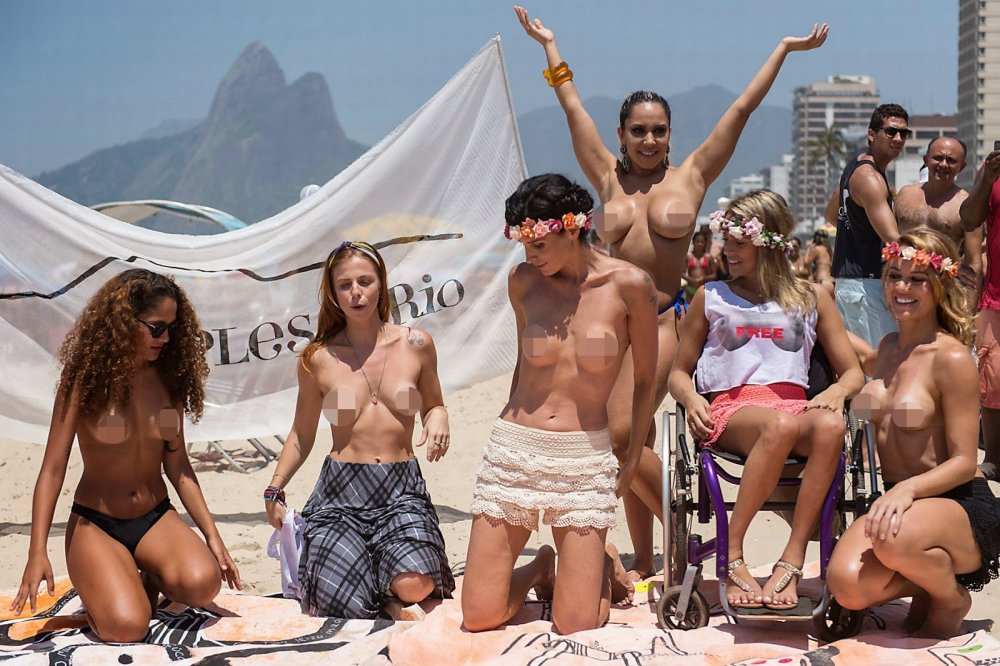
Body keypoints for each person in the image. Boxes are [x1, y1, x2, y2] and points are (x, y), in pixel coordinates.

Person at [515, 4, 828, 581]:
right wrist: (549, 47)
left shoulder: (692, 177)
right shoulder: (605, 176)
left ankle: (681, 537)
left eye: (659, 130)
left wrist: (783, 51)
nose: (650, 139)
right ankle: (643, 552)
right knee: (608, 439)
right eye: (639, 130)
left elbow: (741, 109)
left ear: (669, 134)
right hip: (598, 321)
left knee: (621, 434)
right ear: (622, 134)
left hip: (659, 321)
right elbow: (571, 104)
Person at [461, 174, 658, 634]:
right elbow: (523, 368)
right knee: (478, 616)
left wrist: (628, 460)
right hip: (515, 449)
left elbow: (647, 378)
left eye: (540, 244)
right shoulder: (522, 281)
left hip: (584, 455)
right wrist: (502, 442)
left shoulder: (630, 285)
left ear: (573, 229)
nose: (530, 256)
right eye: (523, 244)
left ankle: (601, 566)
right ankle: (539, 568)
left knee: (575, 623)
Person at [10, 269, 241, 643]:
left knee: (203, 585)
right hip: (97, 525)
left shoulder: (169, 381)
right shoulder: (84, 380)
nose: (165, 338)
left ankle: (144, 573)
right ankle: (112, 581)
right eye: (155, 327)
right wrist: (37, 551)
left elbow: (178, 466)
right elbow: (53, 469)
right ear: (122, 322)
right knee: (126, 628)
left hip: (155, 516)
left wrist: (213, 536)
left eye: (171, 328)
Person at [668, 189, 863, 610]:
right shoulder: (712, 296)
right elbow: (678, 372)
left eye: (739, 242)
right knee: (782, 424)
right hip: (732, 409)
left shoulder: (812, 297)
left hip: (794, 407)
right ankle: (732, 554)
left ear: (767, 243)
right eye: (727, 241)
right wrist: (689, 397)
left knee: (830, 424)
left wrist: (836, 390)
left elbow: (853, 372)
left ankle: (791, 559)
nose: (728, 250)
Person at [264, 241, 454, 619]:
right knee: (339, 601)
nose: (356, 293)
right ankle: (380, 595)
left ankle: (387, 593)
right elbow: (302, 434)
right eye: (345, 285)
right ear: (333, 294)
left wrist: (439, 417)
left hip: (402, 489)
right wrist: (275, 485)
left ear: (381, 284)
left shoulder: (416, 344)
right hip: (340, 492)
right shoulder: (317, 358)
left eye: (365, 281)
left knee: (415, 584)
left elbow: (434, 402)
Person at [828, 229, 1000, 639]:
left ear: (939, 285)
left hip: (954, 503)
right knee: (847, 585)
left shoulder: (952, 357)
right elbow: (840, 341)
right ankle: (925, 580)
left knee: (893, 539)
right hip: (897, 504)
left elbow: (964, 462)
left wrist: (906, 492)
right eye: (893, 276)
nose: (902, 288)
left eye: (917, 279)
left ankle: (951, 598)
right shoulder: (887, 347)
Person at [827, 103, 909, 349]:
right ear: (871, 134)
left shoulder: (856, 167)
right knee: (878, 367)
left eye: (904, 133)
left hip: (853, 284)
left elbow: (832, 215)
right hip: (866, 286)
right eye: (890, 131)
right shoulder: (870, 178)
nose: (898, 138)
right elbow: (894, 239)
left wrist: (859, 231)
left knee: (867, 368)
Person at [895, 137, 981, 295]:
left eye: (951, 160)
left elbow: (974, 263)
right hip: (901, 286)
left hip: (944, 290)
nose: (943, 164)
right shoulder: (905, 195)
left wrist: (967, 312)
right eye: (938, 158)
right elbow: (889, 242)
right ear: (926, 160)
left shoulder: (967, 206)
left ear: (962, 167)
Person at [960, 148, 1000, 481]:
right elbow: (969, 219)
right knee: (992, 377)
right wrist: (987, 178)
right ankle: (995, 457)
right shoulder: (992, 168)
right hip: (996, 296)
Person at [684, 231, 719, 301]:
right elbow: (681, 273)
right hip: (690, 288)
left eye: (702, 242)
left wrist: (703, 278)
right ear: (693, 242)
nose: (700, 244)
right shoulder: (688, 256)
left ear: (705, 243)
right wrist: (690, 279)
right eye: (697, 241)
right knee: (689, 310)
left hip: (704, 289)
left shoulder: (708, 257)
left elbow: (715, 275)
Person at [804, 228, 835, 295]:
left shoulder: (817, 249)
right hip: (831, 282)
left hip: (822, 281)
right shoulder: (829, 250)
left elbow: (806, 262)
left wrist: (809, 247)